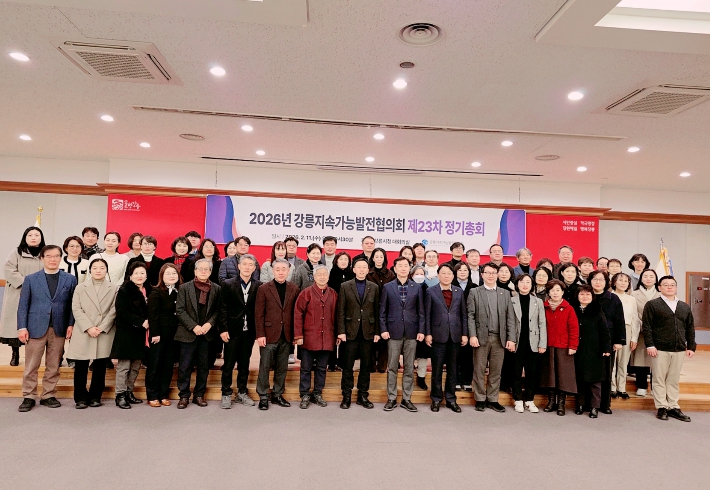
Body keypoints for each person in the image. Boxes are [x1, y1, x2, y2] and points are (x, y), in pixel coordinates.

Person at [16, 245, 77, 412]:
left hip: (59, 328)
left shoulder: (70, 279)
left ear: (61, 258)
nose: (53, 259)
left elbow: (73, 305)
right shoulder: (31, 279)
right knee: (31, 365)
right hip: (35, 327)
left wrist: (71, 324)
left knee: (53, 365)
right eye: (49, 256)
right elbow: (23, 305)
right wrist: (22, 327)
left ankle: (48, 395)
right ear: (42, 258)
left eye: (56, 256)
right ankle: (29, 396)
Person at [66, 258, 118, 409]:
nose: (98, 270)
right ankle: (80, 397)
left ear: (106, 270)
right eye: (95, 267)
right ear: (90, 270)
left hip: (104, 330)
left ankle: (96, 396)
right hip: (84, 330)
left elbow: (114, 310)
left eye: (102, 268)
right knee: (81, 366)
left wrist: (102, 327)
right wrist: (89, 327)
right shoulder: (80, 287)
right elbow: (76, 308)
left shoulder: (114, 288)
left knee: (100, 366)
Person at [643, 275, 695, 422]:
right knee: (659, 378)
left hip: (679, 348)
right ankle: (661, 407)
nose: (669, 287)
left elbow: (690, 327)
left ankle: (673, 406)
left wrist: (691, 346)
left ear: (676, 287)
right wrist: (650, 345)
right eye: (665, 284)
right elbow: (647, 327)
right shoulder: (652, 305)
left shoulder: (684, 306)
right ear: (659, 288)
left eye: (672, 284)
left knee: (673, 379)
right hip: (659, 348)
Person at [467, 262, 516, 413]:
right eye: (487, 273)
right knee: (479, 369)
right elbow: (470, 316)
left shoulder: (505, 293)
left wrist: (511, 338)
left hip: (499, 338)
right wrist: (472, 335)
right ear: (482, 275)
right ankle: (480, 399)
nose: (490, 275)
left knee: (496, 370)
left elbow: (510, 318)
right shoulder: (474, 292)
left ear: (497, 275)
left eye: (493, 273)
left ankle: (493, 399)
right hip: (481, 337)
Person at [175, 258, 222, 409]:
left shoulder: (217, 289)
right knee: (185, 366)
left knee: (204, 366)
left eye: (206, 269)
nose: (203, 271)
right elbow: (180, 310)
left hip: (207, 334)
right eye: (200, 269)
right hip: (188, 333)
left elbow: (218, 310)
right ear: (195, 271)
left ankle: (199, 395)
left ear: (210, 271)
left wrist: (209, 324)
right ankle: (183, 396)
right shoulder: (184, 287)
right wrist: (194, 326)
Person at [379, 257, 425, 412]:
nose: (404, 268)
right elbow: (382, 311)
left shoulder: (416, 287)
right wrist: (383, 329)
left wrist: (421, 330)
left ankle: (407, 398)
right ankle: (391, 398)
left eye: (406, 265)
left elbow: (421, 312)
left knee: (409, 367)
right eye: (400, 266)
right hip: (393, 331)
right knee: (392, 367)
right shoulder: (388, 287)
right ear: (395, 268)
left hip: (412, 332)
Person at [254, 258, 299, 410]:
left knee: (282, 367)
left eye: (283, 269)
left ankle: (277, 394)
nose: (281, 272)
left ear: (288, 271)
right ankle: (263, 396)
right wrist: (260, 334)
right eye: (277, 269)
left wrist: (295, 335)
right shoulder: (264, 288)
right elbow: (258, 313)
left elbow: (296, 314)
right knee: (265, 366)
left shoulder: (294, 288)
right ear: (273, 271)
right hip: (268, 334)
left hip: (286, 335)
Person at [337, 257, 380, 409]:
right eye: (359, 267)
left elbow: (376, 311)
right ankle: (346, 395)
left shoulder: (374, 287)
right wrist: (341, 331)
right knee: (347, 365)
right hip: (350, 332)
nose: (361, 270)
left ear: (368, 270)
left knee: (366, 366)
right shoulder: (345, 286)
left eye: (364, 267)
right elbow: (341, 310)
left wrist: (377, 332)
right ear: (354, 269)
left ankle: (363, 395)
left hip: (368, 332)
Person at [219, 254, 261, 409]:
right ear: (239, 266)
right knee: (228, 364)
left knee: (244, 364)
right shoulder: (228, 284)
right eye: (245, 264)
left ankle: (242, 392)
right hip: (231, 330)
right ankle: (226, 393)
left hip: (248, 332)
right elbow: (222, 309)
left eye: (251, 265)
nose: (247, 267)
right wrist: (223, 329)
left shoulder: (259, 286)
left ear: (254, 268)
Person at [425, 263, 468, 413]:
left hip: (455, 336)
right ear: (438, 275)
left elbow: (463, 314)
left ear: (453, 276)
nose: (446, 276)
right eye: (443, 273)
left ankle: (451, 399)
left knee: (453, 369)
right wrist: (428, 333)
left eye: (449, 273)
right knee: (436, 370)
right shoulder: (431, 291)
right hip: (437, 335)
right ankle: (436, 399)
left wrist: (464, 334)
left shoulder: (459, 291)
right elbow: (427, 315)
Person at [294, 265, 337, 409]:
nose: (322, 277)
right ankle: (304, 394)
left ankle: (318, 393)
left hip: (327, 337)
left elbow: (337, 315)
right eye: (319, 274)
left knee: (321, 367)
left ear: (328, 277)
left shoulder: (333, 294)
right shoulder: (305, 293)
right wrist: (298, 335)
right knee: (305, 367)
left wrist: (336, 334)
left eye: (325, 274)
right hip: (308, 337)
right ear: (314, 276)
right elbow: (298, 314)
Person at [1, 226, 45, 366]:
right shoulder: (17, 252)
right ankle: (15, 354)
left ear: (41, 238)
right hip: (17, 291)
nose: (33, 237)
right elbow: (8, 269)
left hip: (38, 292)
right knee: (16, 324)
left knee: (34, 324)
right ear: (25, 238)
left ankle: (32, 357)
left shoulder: (45, 253)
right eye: (30, 235)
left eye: (37, 235)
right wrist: (25, 282)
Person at [111, 262, 150, 409]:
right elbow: (121, 311)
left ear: (146, 276)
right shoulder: (124, 290)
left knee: (135, 366)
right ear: (131, 275)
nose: (139, 276)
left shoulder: (148, 290)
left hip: (141, 334)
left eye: (142, 273)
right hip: (127, 333)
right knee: (124, 366)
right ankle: (120, 395)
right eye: (136, 273)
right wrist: (141, 322)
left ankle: (129, 392)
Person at [588, 270, 626, 414]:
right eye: (595, 279)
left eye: (601, 279)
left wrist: (619, 341)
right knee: (588, 371)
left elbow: (619, 321)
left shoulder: (613, 298)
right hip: (588, 341)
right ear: (590, 281)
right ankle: (588, 403)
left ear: (606, 282)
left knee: (606, 372)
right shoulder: (585, 296)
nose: (598, 282)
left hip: (607, 341)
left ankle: (604, 404)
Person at [540, 280, 578, 416]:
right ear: (548, 292)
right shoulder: (543, 307)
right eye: (552, 290)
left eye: (558, 290)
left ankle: (561, 404)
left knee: (563, 376)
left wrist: (573, 345)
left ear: (562, 292)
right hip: (548, 346)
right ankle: (551, 402)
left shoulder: (569, 308)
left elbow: (574, 329)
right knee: (549, 375)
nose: (555, 293)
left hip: (564, 347)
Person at [145, 263, 182, 407]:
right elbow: (153, 315)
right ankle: (152, 395)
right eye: (168, 273)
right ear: (162, 276)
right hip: (159, 334)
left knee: (168, 365)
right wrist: (155, 333)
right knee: (155, 364)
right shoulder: (156, 292)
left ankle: (163, 394)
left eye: (174, 273)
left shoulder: (180, 291)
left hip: (174, 334)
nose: (171, 276)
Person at [573, 285, 612, 418]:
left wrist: (606, 348)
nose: (585, 297)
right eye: (582, 294)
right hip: (578, 349)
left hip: (595, 350)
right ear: (577, 296)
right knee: (580, 379)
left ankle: (595, 406)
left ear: (592, 297)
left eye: (588, 294)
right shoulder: (574, 310)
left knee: (595, 380)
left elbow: (604, 331)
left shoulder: (597, 310)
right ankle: (580, 404)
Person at [510, 273, 546, 413]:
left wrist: (542, 343)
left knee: (532, 372)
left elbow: (542, 323)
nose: (525, 285)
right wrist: (511, 340)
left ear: (532, 285)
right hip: (517, 341)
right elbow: (509, 323)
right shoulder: (511, 301)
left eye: (528, 282)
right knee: (516, 372)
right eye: (522, 282)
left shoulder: (538, 302)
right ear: (517, 284)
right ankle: (518, 400)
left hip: (534, 342)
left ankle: (530, 400)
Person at [630, 269, 660, 397]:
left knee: (657, 361)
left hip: (657, 331)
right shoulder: (634, 294)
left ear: (656, 279)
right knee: (640, 359)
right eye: (645, 276)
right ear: (641, 279)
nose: (648, 278)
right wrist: (642, 324)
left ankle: (655, 386)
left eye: (651, 276)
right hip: (640, 330)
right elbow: (633, 312)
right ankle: (641, 385)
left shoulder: (661, 294)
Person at [610, 272, 639, 399]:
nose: (623, 283)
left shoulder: (631, 299)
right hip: (612, 330)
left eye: (626, 281)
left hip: (627, 330)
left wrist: (634, 337)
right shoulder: (609, 297)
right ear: (614, 282)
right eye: (620, 280)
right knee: (612, 361)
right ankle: (612, 387)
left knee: (623, 361)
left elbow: (635, 319)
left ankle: (621, 388)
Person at [367, 248, 395, 373]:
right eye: (376, 257)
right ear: (373, 258)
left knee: (385, 337)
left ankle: (383, 365)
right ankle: (371, 364)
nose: (379, 259)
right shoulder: (367, 273)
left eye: (381, 257)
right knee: (371, 337)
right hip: (370, 308)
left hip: (387, 308)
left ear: (384, 259)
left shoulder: (391, 274)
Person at [326, 252, 354, 371]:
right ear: (336, 261)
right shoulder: (331, 273)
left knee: (345, 337)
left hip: (348, 310)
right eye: (341, 259)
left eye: (345, 259)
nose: (343, 261)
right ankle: (331, 363)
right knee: (332, 336)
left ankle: (342, 363)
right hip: (333, 308)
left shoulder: (352, 274)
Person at [453, 263, 476, 391]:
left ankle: (467, 381)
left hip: (470, 323)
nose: (462, 272)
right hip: (454, 324)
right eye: (459, 270)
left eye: (465, 270)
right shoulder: (450, 286)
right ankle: (456, 380)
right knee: (455, 354)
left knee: (469, 355)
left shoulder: (474, 287)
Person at [411, 265, 431, 389]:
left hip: (424, 326)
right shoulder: (407, 287)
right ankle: (409, 377)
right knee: (410, 352)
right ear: (412, 275)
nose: (419, 276)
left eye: (422, 274)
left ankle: (421, 377)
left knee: (423, 354)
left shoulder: (428, 289)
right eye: (417, 274)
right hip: (409, 325)